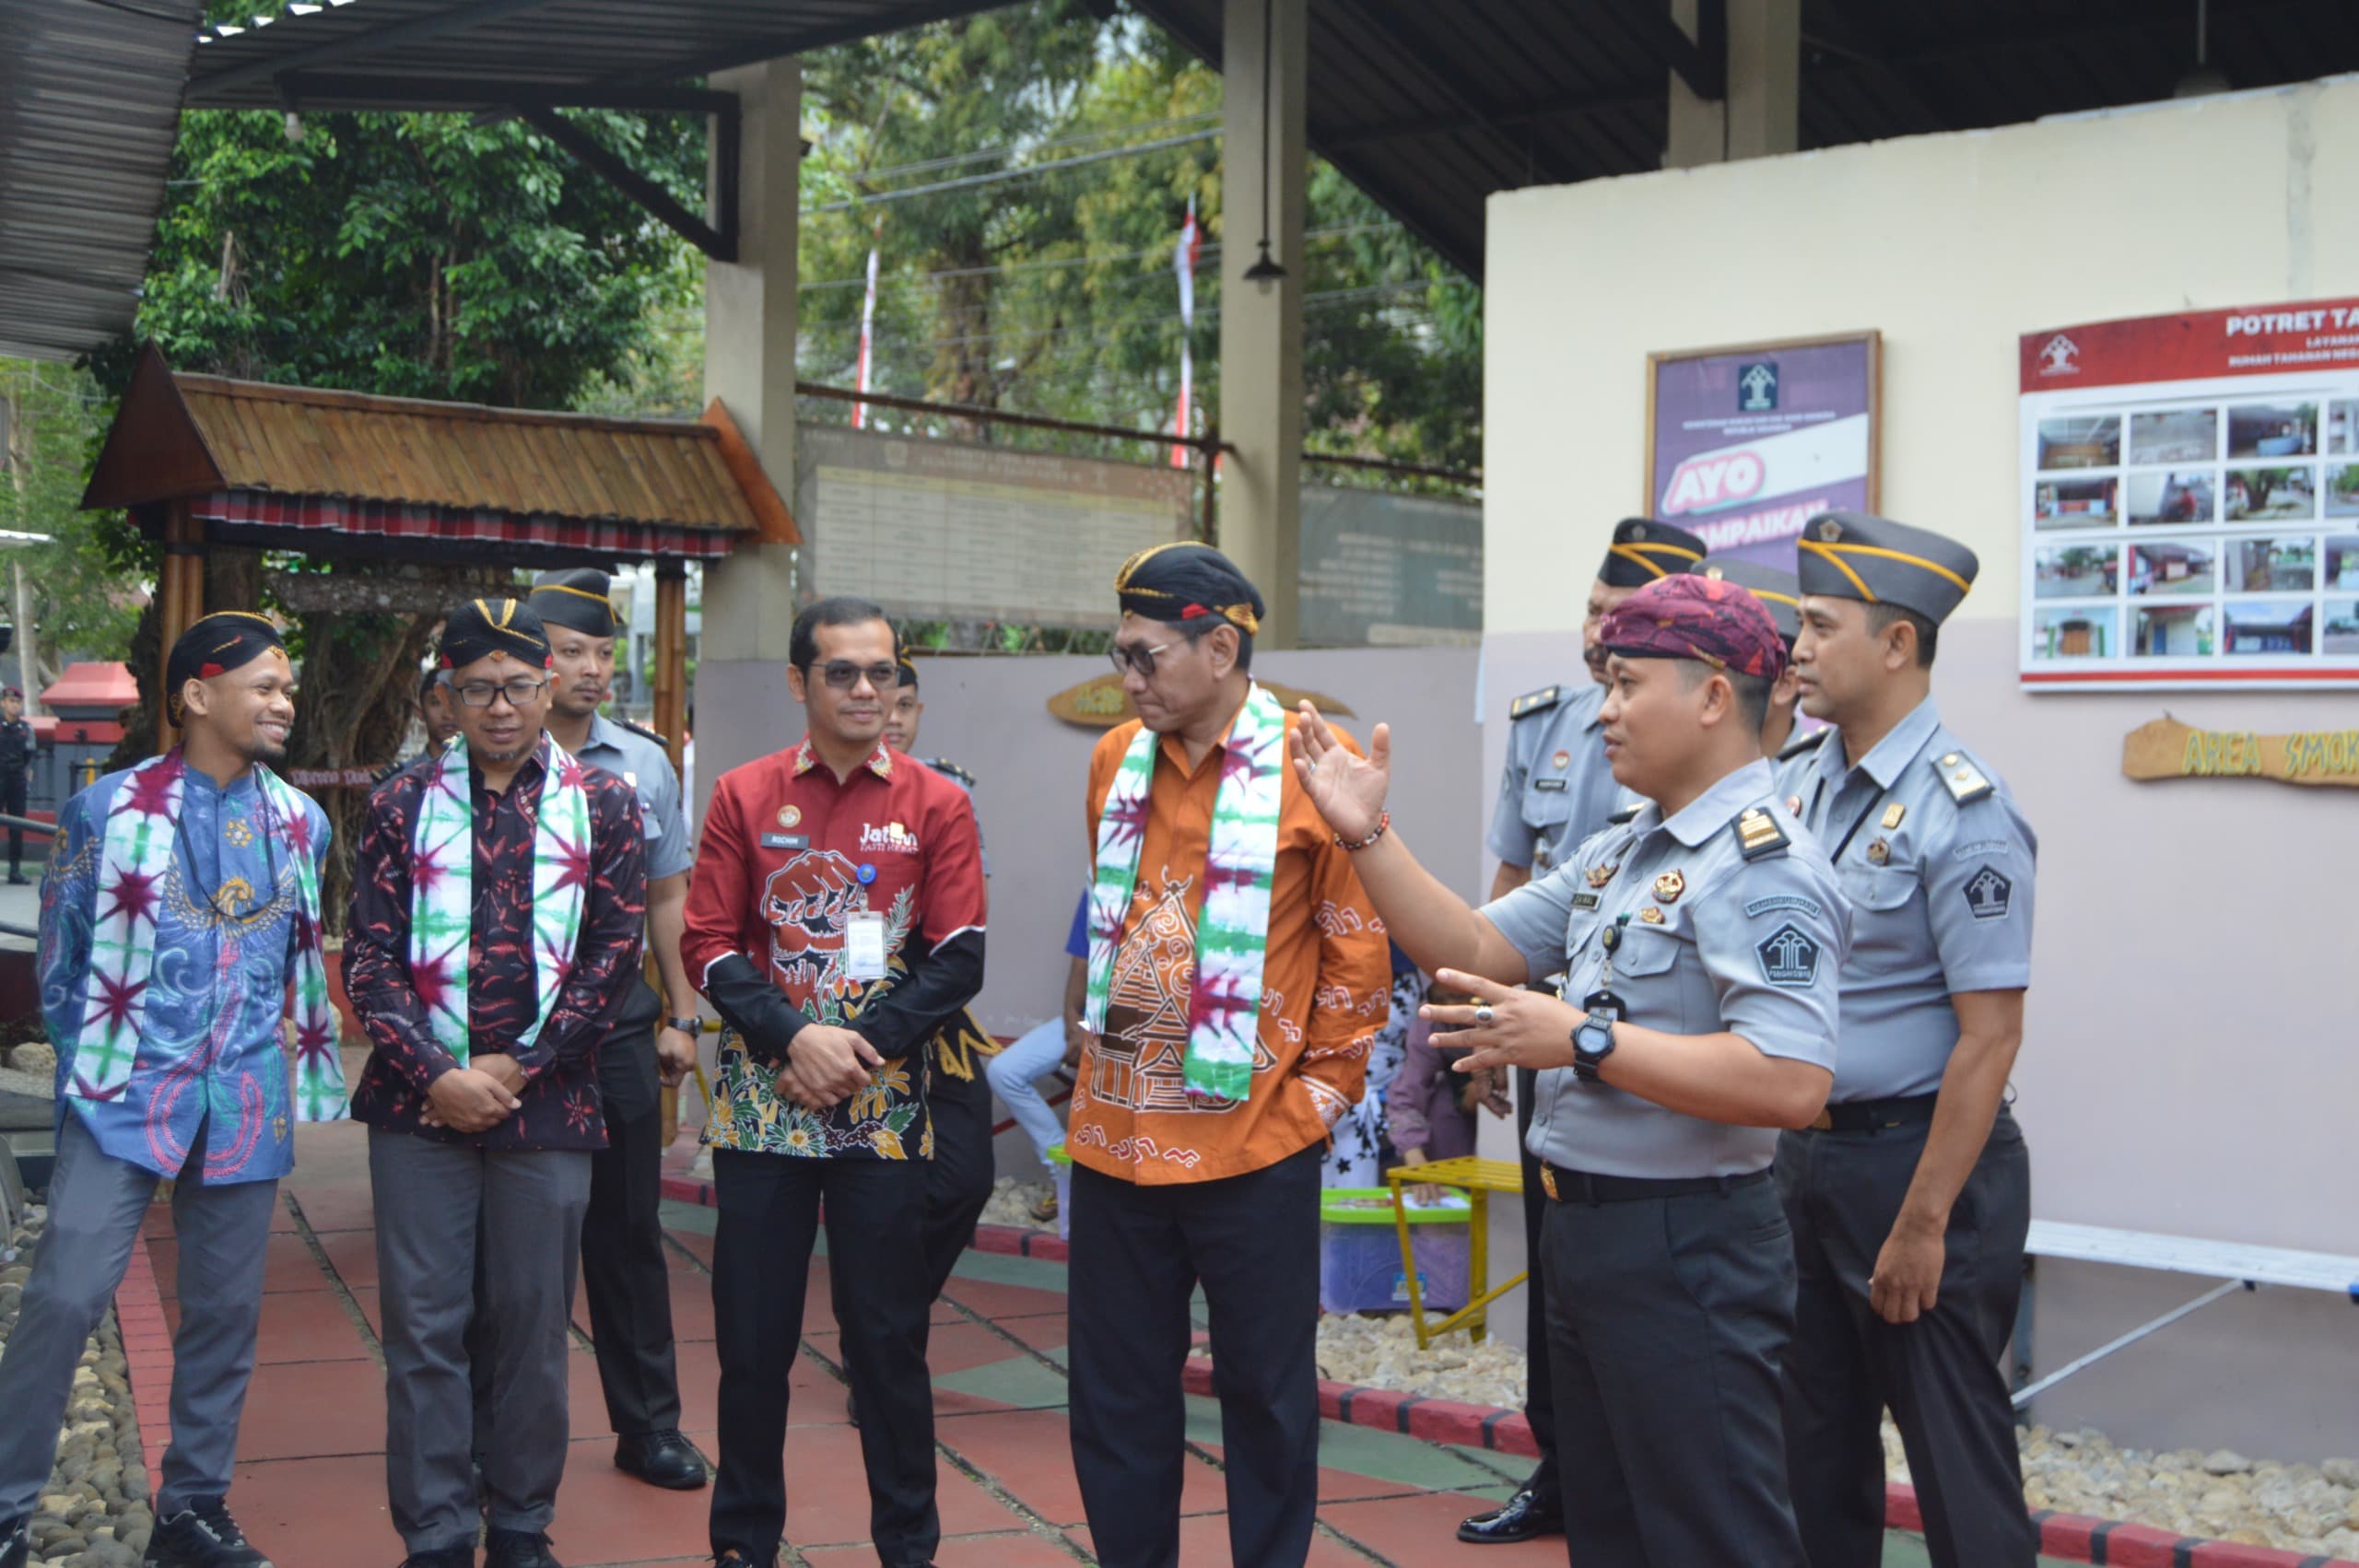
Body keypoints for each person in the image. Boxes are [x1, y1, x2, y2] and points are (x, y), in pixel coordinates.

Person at [1292, 571, 1848, 1567]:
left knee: (1712, 1536)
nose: (1606, 713)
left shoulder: (1762, 866)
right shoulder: (1621, 852)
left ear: (1713, 696)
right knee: (1610, 1532)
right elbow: (1467, 942)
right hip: (1591, 1238)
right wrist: (1365, 832)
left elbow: (1790, 1080)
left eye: (1629, 684)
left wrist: (1583, 1040)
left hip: (1689, 1247)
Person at [1063, 543, 1389, 1568]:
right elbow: (1111, 930)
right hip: (1117, 1143)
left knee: (1266, 1398)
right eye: (1121, 655)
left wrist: (1314, 1105)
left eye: (1147, 657)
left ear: (1220, 646)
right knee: (1115, 1400)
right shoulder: (1114, 757)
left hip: (1254, 1150)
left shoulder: (1309, 765)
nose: (1129, 679)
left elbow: (1357, 952)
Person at [3, 612, 340, 1568]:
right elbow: (63, 967)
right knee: (66, 1293)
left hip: (244, 1100)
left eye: (286, 686)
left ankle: (192, 1510)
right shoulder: (104, 811)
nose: (284, 702)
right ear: (196, 694)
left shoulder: (300, 820)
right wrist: (101, 1068)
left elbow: (290, 963)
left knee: (227, 1312)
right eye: (265, 686)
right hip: (123, 1096)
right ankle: (4, 1505)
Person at [682, 596, 985, 1568]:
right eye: (843, 672)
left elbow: (959, 956)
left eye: (882, 672)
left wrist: (853, 1049)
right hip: (763, 1109)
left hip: (883, 1109)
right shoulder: (741, 792)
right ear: (798, 682)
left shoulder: (938, 802)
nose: (866, 689)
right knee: (754, 1344)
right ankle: (742, 1544)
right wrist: (791, 1041)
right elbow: (707, 942)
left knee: (889, 1340)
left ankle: (908, 1545)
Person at [344, 598, 648, 1568]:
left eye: (519, 685)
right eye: (478, 688)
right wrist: (437, 1072)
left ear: (548, 685)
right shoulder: (398, 803)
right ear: (447, 696)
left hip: (547, 1099)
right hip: (414, 1101)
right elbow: (367, 958)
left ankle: (519, 1523)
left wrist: (517, 1065)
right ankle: (434, 1530)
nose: (502, 707)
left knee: (531, 1324)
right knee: (424, 1327)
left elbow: (614, 953)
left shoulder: (604, 803)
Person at [1775, 511, 2040, 1568]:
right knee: (1811, 1447)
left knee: (1953, 1453)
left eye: (1818, 624)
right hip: (1807, 1157)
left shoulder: (1962, 810)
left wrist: (1923, 1221)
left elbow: (1990, 1036)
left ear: (1895, 644)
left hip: (1919, 1164)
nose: (1795, 646)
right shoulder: (1796, 783)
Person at [1463, 514, 1705, 1549]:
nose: (1601, 635)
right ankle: (1563, 1469)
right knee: (1557, 1270)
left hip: (1666, 1050)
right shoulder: (1548, 720)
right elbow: (1514, 885)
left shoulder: (1716, 732)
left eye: (1625, 618)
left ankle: (1654, 1487)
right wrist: (1481, 1011)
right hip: (1542, 1040)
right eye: (1596, 612)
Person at [480, 567, 707, 1490]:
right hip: (506, 1035)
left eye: (604, 652)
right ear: (531, 660)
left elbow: (667, 896)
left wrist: (683, 1015)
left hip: (614, 1031)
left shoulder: (642, 761)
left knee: (626, 1234)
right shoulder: (480, 756)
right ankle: (488, 1432)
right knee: (501, 1244)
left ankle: (647, 1425)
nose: (592, 669)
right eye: (572, 651)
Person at [877, 651, 1002, 1297]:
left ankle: (893, 1322)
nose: (890, 717)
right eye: (881, 700)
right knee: (873, 1193)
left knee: (964, 1178)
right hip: (837, 1016)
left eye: (904, 705)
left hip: (936, 1017)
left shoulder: (948, 795)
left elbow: (970, 913)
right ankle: (879, 1342)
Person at [981, 887, 1090, 1224]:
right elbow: (1080, 961)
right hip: (1090, 1020)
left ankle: (1091, 1187)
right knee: (1004, 1070)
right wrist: (1076, 1025)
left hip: (1137, 1030)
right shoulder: (1099, 883)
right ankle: (1064, 1166)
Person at [1386, 978, 1509, 1197]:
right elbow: (1406, 1095)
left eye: (1461, 998)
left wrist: (1486, 1081)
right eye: (1440, 999)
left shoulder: (1510, 1016)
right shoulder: (1432, 1024)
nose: (1451, 1007)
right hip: (1452, 1142)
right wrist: (1416, 1161)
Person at [0, 685, 37, 883]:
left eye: (17, 702)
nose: (14, 706)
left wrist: (26, 780)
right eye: (11, 702)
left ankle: (15, 870)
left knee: (17, 825)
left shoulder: (26, 729)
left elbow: (29, 758)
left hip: (17, 780)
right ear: (3, 703)